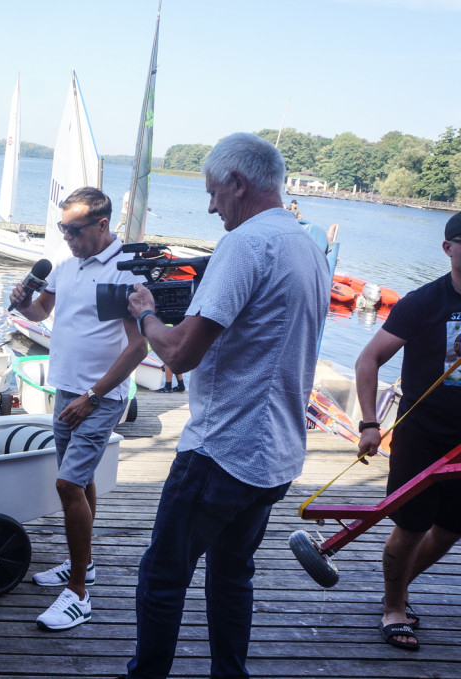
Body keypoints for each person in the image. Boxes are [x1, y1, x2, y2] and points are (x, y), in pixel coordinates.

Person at [123, 132, 328, 678]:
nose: (211, 206)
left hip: (221, 451)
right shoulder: (308, 246)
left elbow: (181, 354)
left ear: (239, 184)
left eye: (214, 192)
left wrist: (146, 314)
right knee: (233, 575)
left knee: (163, 576)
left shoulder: (245, 244)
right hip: (276, 455)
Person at [9, 186, 148, 631]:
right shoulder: (66, 268)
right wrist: (23, 303)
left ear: (102, 225)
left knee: (68, 485)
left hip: (100, 396)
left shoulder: (124, 272)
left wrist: (94, 397)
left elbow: (138, 347)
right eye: (61, 228)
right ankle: (80, 566)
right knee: (80, 480)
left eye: (73, 229)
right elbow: (41, 312)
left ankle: (79, 596)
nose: (66, 236)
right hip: (65, 390)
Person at [355, 211, 461, 651]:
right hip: (421, 432)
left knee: (452, 529)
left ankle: (394, 589)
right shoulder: (423, 302)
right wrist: (368, 424)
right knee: (412, 526)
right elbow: (368, 360)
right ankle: (394, 608)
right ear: (449, 248)